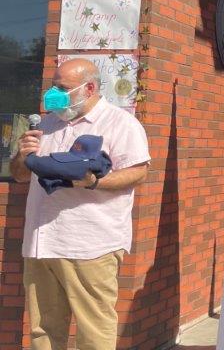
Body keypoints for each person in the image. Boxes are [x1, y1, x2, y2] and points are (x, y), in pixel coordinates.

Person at [11, 58, 151, 350]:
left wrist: (93, 182)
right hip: (41, 242)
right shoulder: (47, 123)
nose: (52, 94)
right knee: (43, 331)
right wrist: (22, 156)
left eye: (62, 88)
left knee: (94, 331)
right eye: (52, 86)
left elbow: (138, 172)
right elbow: (20, 176)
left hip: (90, 245)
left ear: (89, 88)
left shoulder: (120, 123)